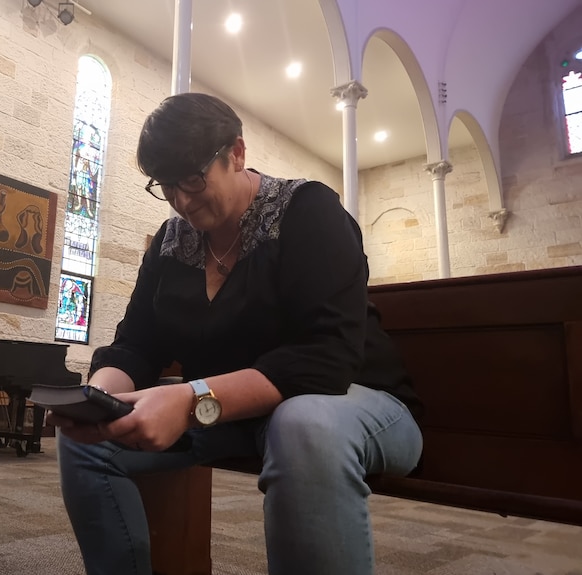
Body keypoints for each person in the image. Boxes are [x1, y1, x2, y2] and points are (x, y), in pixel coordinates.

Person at [51, 92, 424, 575]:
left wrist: (190, 400)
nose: (182, 201)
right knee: (87, 441)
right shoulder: (170, 245)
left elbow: (327, 358)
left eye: (192, 179)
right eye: (166, 185)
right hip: (236, 415)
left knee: (301, 423)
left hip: (358, 401)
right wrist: (98, 401)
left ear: (237, 154)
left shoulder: (307, 212)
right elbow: (136, 345)